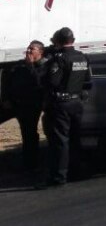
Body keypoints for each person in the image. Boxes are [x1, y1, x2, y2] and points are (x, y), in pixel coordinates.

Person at [39, 27, 91, 189]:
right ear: (72, 40)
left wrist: (43, 66)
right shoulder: (82, 57)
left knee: (60, 141)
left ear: (57, 41)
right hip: (77, 103)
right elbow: (88, 81)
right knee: (75, 138)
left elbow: (52, 82)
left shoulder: (59, 59)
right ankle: (76, 171)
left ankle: (59, 176)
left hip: (61, 104)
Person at [0, 40, 48, 171]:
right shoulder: (19, 65)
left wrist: (31, 66)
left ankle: (30, 164)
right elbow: (6, 80)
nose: (28, 51)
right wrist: (5, 99)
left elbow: (39, 82)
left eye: (32, 49)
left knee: (29, 134)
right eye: (28, 49)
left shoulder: (44, 66)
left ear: (40, 52)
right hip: (13, 103)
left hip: (30, 106)